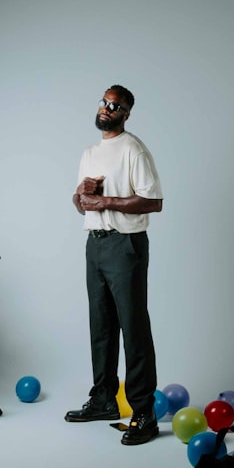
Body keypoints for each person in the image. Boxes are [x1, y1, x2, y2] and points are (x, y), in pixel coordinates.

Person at [65, 84, 163, 446]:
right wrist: (81, 196)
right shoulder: (90, 152)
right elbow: (82, 203)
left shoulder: (133, 149)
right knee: (101, 326)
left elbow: (153, 201)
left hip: (125, 247)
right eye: (105, 102)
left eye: (116, 106)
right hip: (95, 245)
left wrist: (104, 201)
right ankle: (104, 399)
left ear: (126, 113)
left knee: (133, 327)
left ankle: (144, 413)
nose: (108, 109)